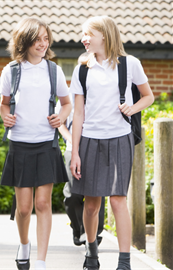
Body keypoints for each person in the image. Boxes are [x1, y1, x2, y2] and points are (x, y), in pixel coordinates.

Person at [69, 16, 154, 270]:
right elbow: (78, 114)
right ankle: (91, 253)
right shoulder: (82, 68)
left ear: (104, 35)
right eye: (83, 34)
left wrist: (133, 107)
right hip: (89, 140)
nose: (84, 38)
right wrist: (75, 152)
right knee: (92, 203)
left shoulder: (130, 65)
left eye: (88, 34)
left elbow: (148, 96)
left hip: (120, 138)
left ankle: (124, 262)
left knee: (118, 200)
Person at [0, 18, 72, 270]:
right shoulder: (12, 70)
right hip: (19, 144)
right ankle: (24, 244)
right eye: (37, 39)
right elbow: (4, 103)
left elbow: (66, 103)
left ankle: (40, 260)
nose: (43, 43)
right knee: (23, 208)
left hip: (46, 144)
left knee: (42, 203)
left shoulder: (54, 70)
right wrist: (5, 115)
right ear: (24, 41)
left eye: (45, 38)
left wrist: (60, 118)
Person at [58, 92, 105, 247]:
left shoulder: (102, 89)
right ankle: (78, 228)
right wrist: (70, 138)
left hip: (97, 147)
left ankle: (93, 233)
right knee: (72, 194)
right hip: (73, 148)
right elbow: (60, 122)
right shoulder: (70, 93)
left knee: (96, 192)